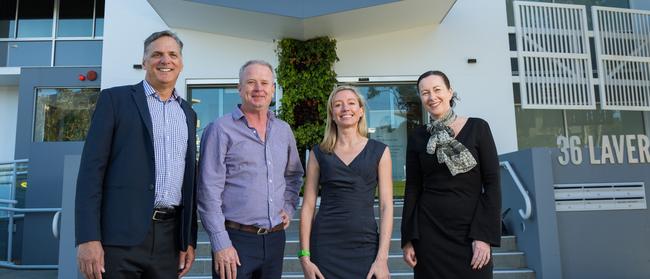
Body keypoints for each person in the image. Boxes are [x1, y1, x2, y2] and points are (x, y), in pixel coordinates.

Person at [75, 30, 197, 279]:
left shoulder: (187, 113)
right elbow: (91, 172)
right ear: (144, 61)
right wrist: (88, 238)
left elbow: (189, 183)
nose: (166, 60)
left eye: (173, 54)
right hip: (119, 240)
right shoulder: (114, 100)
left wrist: (188, 239)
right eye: (157, 54)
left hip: (169, 240)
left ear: (181, 63)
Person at [197, 60, 304, 279]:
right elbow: (208, 190)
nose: (258, 89)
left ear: (273, 89)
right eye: (251, 82)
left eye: (265, 83)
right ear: (239, 88)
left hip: (275, 239)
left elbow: (294, 174)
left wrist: (289, 206)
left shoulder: (283, 130)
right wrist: (220, 242)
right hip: (236, 240)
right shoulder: (221, 129)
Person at [401, 70, 501, 278]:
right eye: (425, 92)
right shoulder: (418, 136)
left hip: (471, 231)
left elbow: (492, 183)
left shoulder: (478, 127)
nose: (432, 97)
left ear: (450, 92)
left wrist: (484, 236)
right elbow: (412, 188)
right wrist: (408, 237)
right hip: (429, 233)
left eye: (437, 90)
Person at [299, 86, 394, 279]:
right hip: (325, 246)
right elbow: (308, 206)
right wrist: (304, 257)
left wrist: (382, 258)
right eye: (338, 105)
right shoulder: (319, 153)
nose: (345, 108)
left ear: (360, 111)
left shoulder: (380, 151)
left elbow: (386, 206)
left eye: (351, 103)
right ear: (332, 114)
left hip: (365, 245)